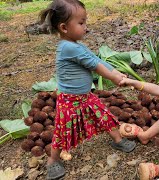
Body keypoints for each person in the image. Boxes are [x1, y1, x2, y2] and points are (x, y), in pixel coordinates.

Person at [38, 0, 136, 179]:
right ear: (64, 28)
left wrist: (116, 71)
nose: (86, 27)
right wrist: (113, 77)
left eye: (85, 22)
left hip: (85, 96)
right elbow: (95, 66)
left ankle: (118, 140)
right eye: (81, 23)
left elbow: (98, 60)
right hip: (69, 100)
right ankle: (52, 161)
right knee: (62, 131)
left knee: (104, 116)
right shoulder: (68, 48)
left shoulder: (77, 46)